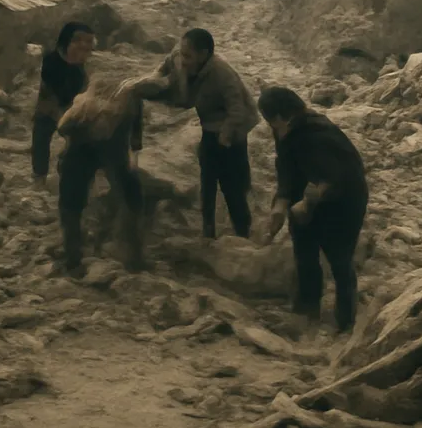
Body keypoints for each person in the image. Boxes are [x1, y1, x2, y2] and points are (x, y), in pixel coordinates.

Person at [259, 86, 368, 334]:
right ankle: (307, 307)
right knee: (304, 252)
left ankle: (346, 319)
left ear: (278, 117)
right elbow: (287, 170)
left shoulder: (319, 135)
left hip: (344, 200)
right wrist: (280, 205)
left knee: (340, 258)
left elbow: (334, 178)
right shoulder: (286, 132)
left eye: (271, 121)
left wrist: (308, 203)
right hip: (307, 197)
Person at [156, 28, 259, 239]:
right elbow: (169, 62)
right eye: (182, 53)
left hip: (233, 135)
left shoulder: (222, 73)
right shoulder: (181, 58)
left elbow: (237, 109)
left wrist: (226, 136)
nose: (183, 60)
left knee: (233, 188)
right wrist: (157, 79)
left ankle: (242, 234)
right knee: (207, 183)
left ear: (204, 55)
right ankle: (208, 231)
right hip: (209, 130)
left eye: (188, 56)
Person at [55, 74, 156, 275]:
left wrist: (68, 147)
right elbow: (136, 134)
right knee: (132, 200)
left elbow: (62, 127)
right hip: (115, 152)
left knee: (71, 205)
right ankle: (134, 258)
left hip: (79, 151)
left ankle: (72, 259)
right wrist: (134, 155)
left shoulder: (85, 102)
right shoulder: (132, 98)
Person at [32, 22, 96, 188]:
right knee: (41, 137)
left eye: (86, 50)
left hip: (72, 107)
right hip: (48, 108)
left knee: (79, 142)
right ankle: (39, 176)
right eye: (78, 45)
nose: (82, 54)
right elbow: (46, 92)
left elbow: (84, 90)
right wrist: (58, 112)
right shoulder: (49, 61)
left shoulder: (81, 68)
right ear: (66, 42)